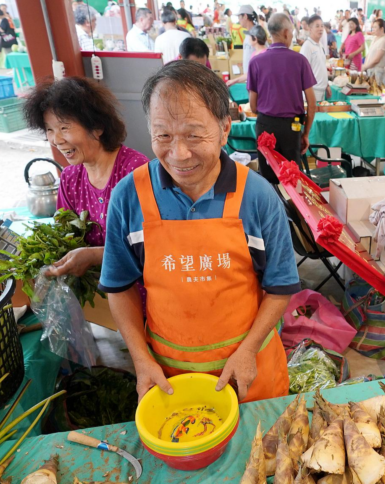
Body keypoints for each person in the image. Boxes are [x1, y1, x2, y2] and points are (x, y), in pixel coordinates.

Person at [101, 61, 299, 403]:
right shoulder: (128, 196)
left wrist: (248, 350)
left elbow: (280, 287)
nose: (178, 154)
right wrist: (141, 359)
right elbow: (119, 287)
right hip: (171, 380)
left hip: (249, 374)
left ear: (224, 129)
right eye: (163, 135)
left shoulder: (258, 196)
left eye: (194, 135)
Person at [23, 77, 149, 278]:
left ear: (97, 127)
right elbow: (65, 234)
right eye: (50, 130)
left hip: (139, 285)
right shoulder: (70, 177)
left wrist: (94, 256)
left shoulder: (135, 170)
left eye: (64, 128)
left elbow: (153, 244)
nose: (56, 140)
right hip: (97, 290)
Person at [248, 13, 316, 184]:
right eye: (292, 33)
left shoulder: (256, 62)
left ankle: (269, 209)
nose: (292, 36)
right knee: (291, 177)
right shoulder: (300, 61)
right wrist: (305, 133)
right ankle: (291, 210)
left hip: (265, 126)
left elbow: (253, 106)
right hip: (291, 128)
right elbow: (312, 103)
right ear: (286, 33)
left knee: (268, 177)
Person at [301, 15, 328, 102]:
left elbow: (321, 67)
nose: (320, 29)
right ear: (310, 28)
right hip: (313, 91)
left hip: (322, 91)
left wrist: (326, 85)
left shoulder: (320, 45)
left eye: (322, 26)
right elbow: (302, 72)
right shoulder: (307, 46)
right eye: (317, 26)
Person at [363, 19, 385, 86]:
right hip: (370, 70)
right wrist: (366, 66)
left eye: (375, 27)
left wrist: (365, 67)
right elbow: (369, 55)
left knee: (376, 92)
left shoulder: (383, 41)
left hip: (377, 72)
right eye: (373, 27)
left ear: (381, 29)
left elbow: (377, 60)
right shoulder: (375, 38)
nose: (373, 29)